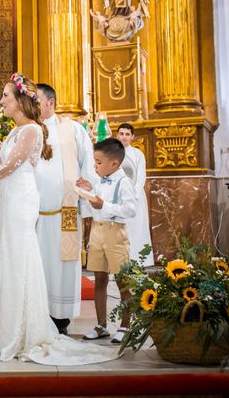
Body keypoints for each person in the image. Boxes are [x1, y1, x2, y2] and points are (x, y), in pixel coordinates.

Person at [0, 74, 119, 365]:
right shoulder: (15, 132)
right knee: (7, 260)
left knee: (19, 261)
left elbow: (8, 167)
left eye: (6, 96)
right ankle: (7, 328)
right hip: (10, 201)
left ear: (20, 100)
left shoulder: (31, 130)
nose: (1, 101)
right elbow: (4, 163)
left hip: (20, 203)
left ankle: (24, 331)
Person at [34, 84, 98, 335]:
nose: (33, 104)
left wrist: (86, 191)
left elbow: (87, 163)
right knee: (36, 263)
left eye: (36, 99)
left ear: (51, 102)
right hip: (34, 212)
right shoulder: (27, 128)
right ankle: (37, 311)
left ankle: (59, 317)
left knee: (62, 263)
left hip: (66, 209)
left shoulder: (73, 129)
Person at [76, 138, 136, 344]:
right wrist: (89, 193)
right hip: (97, 231)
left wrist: (104, 205)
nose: (95, 166)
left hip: (115, 233)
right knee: (99, 280)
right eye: (94, 161)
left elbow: (130, 210)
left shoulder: (124, 182)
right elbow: (98, 206)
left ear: (114, 164)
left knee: (123, 282)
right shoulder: (101, 180)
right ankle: (101, 325)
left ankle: (125, 326)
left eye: (98, 162)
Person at [117, 123, 154, 267]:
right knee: (120, 230)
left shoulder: (138, 154)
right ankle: (120, 262)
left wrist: (133, 195)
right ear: (117, 135)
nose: (124, 137)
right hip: (117, 199)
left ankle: (139, 261)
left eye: (127, 134)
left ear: (132, 137)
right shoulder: (112, 153)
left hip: (135, 198)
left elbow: (140, 176)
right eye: (121, 133)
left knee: (136, 229)